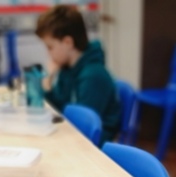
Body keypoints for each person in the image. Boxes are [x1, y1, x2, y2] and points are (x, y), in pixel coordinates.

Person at [35, 5, 121, 145]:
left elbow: (84, 128)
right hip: (75, 137)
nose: (48, 53)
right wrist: (48, 84)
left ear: (68, 42)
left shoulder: (93, 76)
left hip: (97, 148)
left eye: (50, 47)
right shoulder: (66, 68)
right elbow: (60, 109)